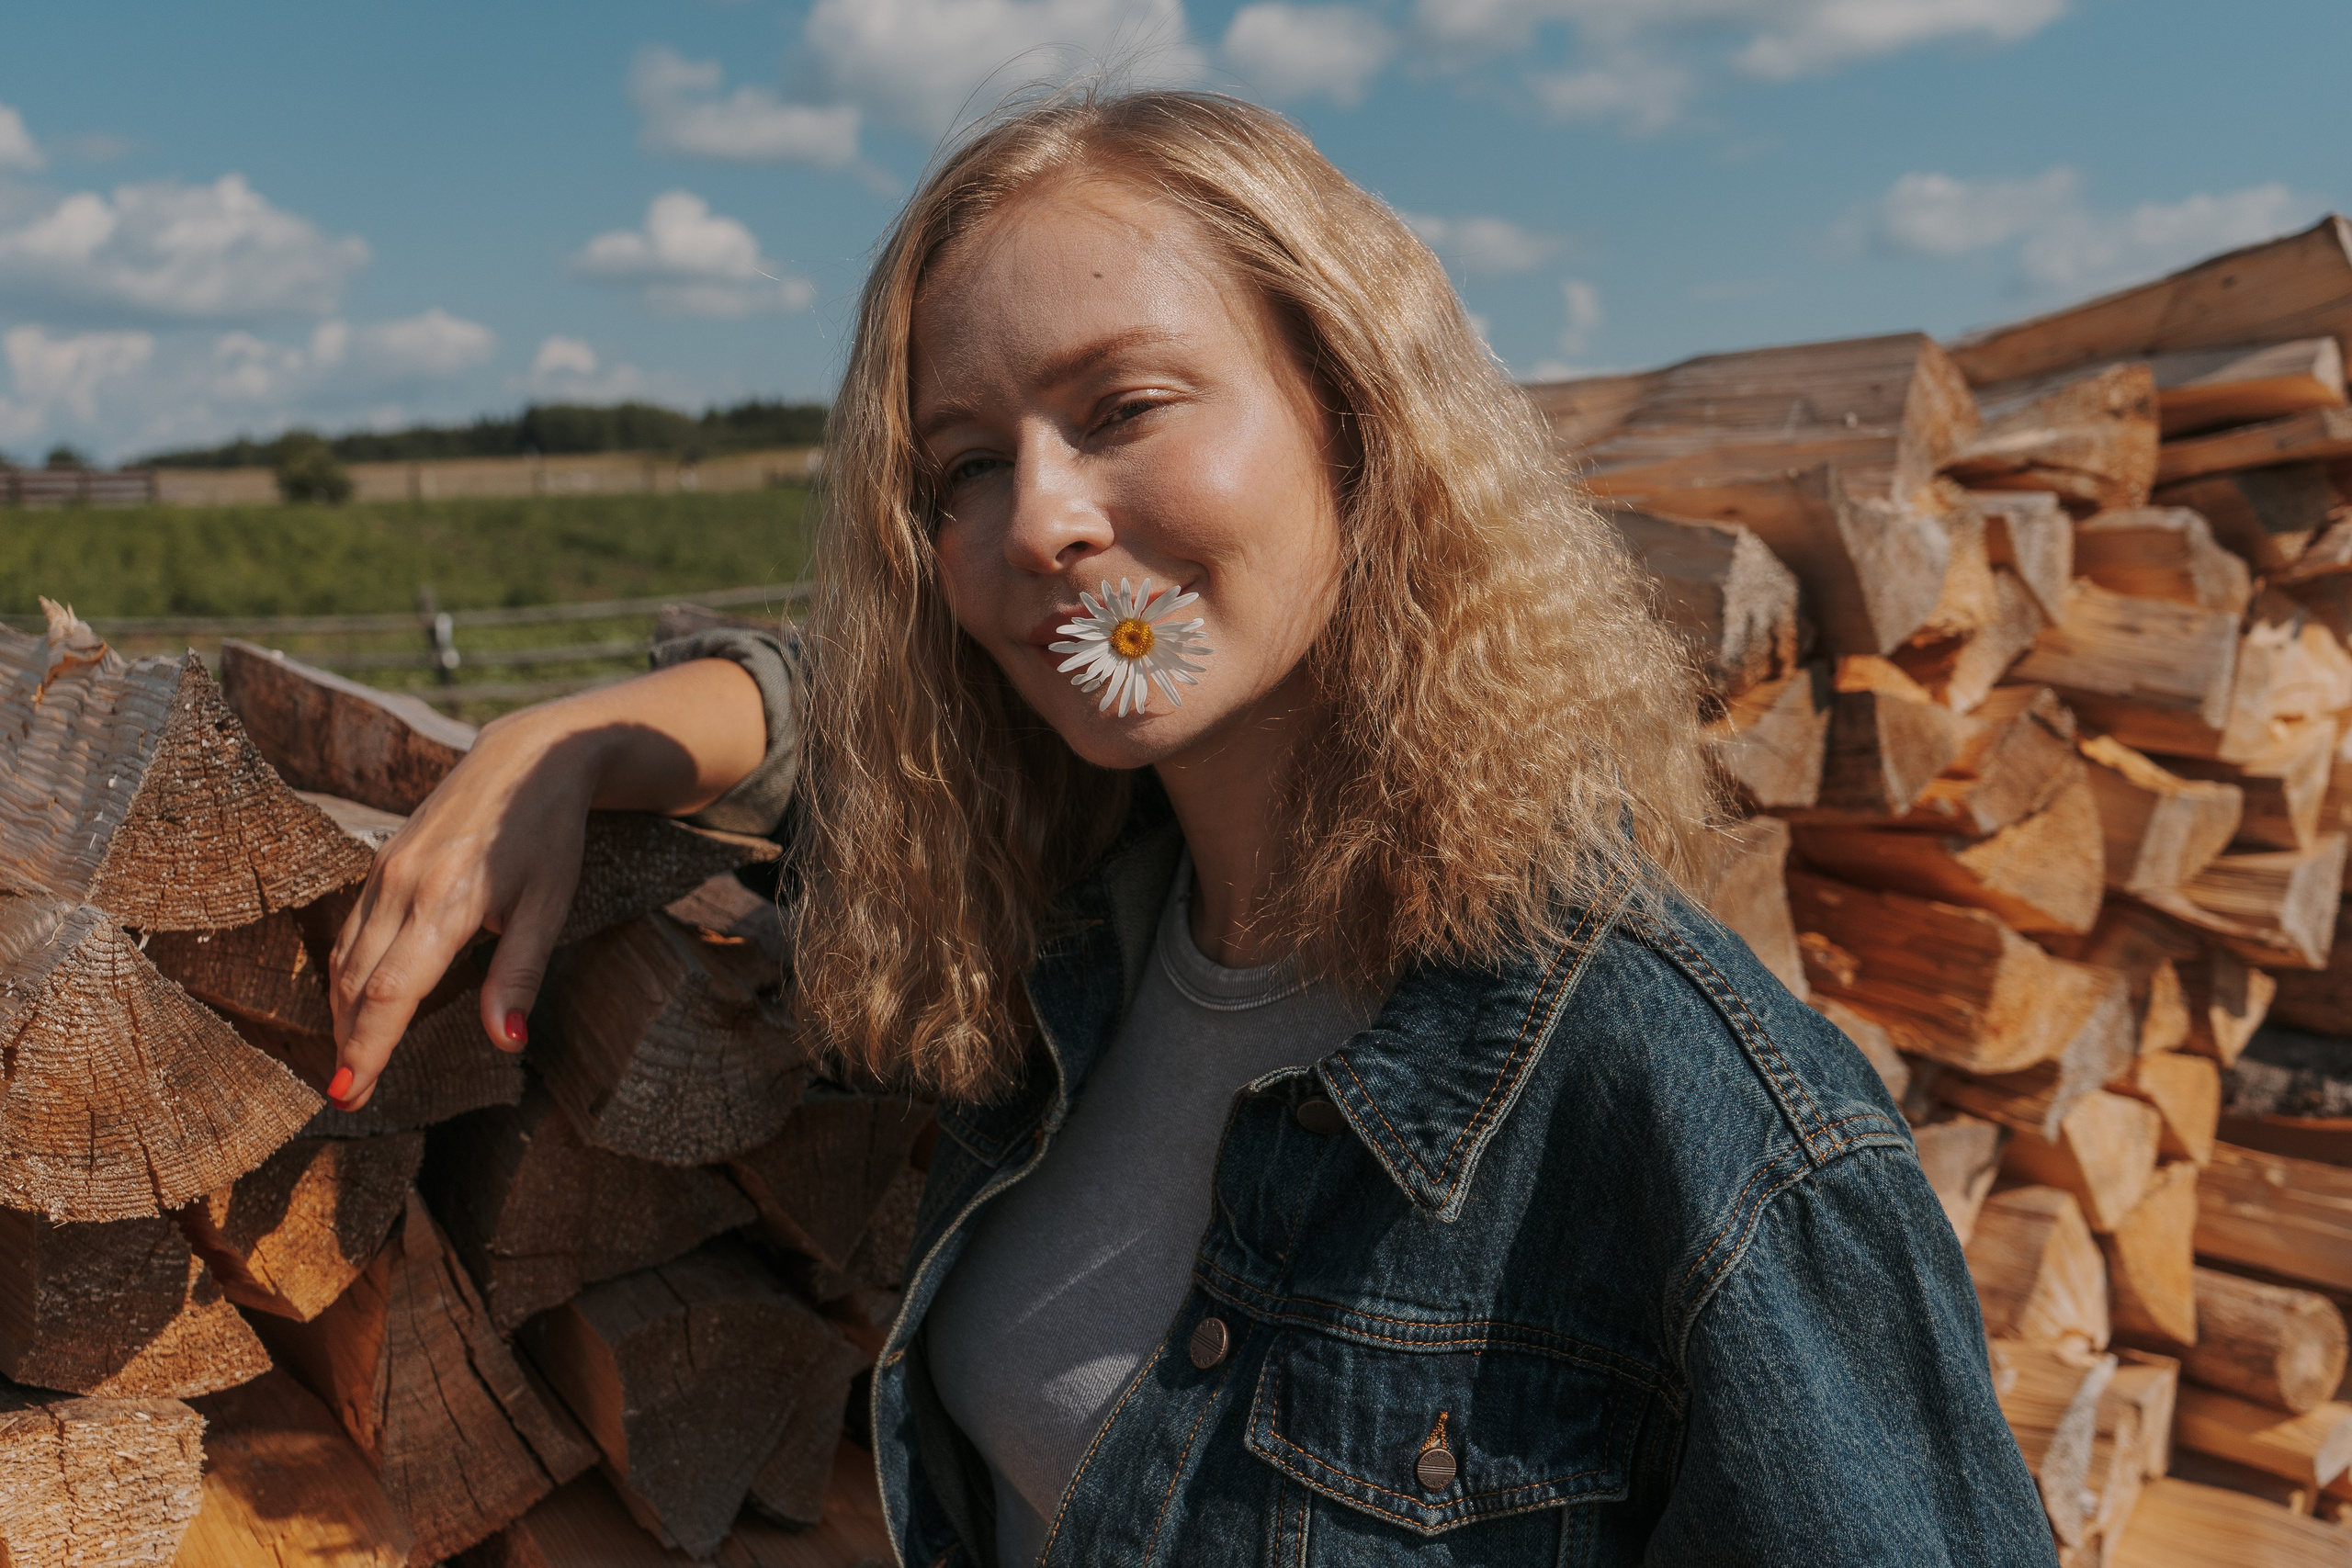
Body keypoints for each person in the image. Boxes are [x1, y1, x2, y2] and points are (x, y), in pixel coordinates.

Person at [328, 89, 2054, 1567]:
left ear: (1353, 409)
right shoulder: (1072, 921)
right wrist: (581, 738)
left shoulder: (1707, 1124)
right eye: (963, 470)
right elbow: (850, 717)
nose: (1044, 523)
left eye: (1124, 408)